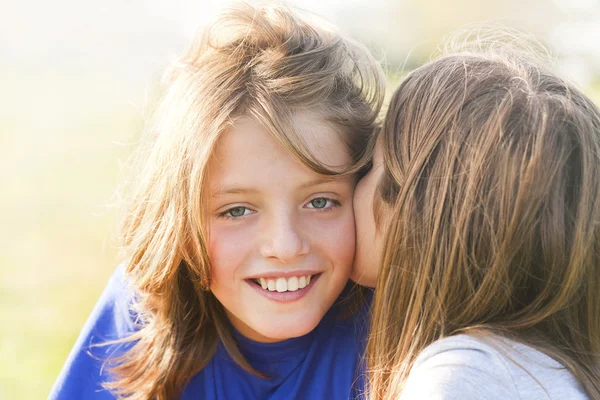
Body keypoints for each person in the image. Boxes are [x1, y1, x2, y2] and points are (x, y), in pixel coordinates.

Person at [49, 3, 384, 399]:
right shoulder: (142, 312)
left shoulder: (394, 332)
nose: (286, 245)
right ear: (176, 223)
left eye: (320, 202)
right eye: (236, 210)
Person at [352, 40, 600, 399]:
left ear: (418, 214)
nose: (350, 186)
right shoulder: (547, 368)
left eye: (370, 166)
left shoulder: (463, 379)